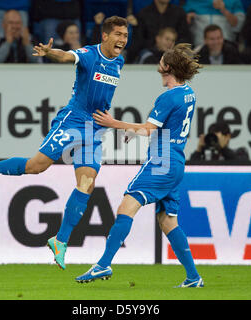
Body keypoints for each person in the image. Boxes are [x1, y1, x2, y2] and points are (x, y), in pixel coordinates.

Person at [0, 16, 129, 270]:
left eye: (125, 35)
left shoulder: (119, 62)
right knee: (36, 166)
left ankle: (60, 241)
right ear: (105, 36)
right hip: (73, 120)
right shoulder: (88, 54)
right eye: (118, 34)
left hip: (94, 129)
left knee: (87, 183)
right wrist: (50, 52)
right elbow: (66, 57)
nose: (122, 40)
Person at [75, 43, 204, 288]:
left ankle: (103, 264)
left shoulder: (168, 97)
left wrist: (113, 123)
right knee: (168, 221)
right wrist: (137, 132)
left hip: (161, 161)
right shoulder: (189, 93)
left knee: (127, 206)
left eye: (162, 61)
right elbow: (159, 128)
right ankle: (193, 277)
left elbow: (148, 129)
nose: (158, 64)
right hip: (176, 161)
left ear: (168, 67)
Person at [127, 0, 191, 63]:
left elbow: (185, 38)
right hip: (150, 54)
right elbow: (139, 41)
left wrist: (172, 47)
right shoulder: (143, 14)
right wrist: (156, 47)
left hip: (173, 53)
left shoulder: (179, 13)